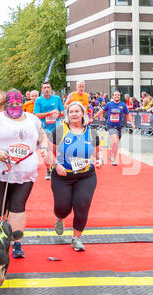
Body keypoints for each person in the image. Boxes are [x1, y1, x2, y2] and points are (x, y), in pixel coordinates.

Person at [0, 90, 49, 259]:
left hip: (25, 171)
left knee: (18, 207)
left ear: (22, 103)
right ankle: (0, 226)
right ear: (6, 104)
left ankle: (17, 242)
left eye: (18, 104)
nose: (15, 107)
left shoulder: (32, 119)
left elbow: (42, 137)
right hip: (0, 170)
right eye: (11, 104)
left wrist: (45, 147)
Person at [48, 101, 104, 251]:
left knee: (82, 205)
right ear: (67, 115)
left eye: (76, 111)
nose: (74, 114)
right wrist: (56, 165)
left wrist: (99, 161)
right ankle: (59, 217)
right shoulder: (60, 130)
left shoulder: (91, 132)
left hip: (86, 176)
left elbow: (98, 154)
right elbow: (48, 151)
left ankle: (76, 238)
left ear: (83, 114)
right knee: (63, 207)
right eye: (71, 112)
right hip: (62, 175)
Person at [93, 90, 136, 166]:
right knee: (115, 141)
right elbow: (101, 111)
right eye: (115, 95)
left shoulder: (123, 105)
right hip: (110, 125)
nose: (117, 96)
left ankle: (112, 155)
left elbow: (128, 115)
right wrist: (94, 117)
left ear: (120, 96)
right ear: (113, 96)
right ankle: (113, 159)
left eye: (118, 95)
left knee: (115, 143)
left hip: (119, 126)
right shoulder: (109, 104)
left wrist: (132, 123)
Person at [34, 81, 65, 180]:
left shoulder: (57, 99)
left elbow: (62, 112)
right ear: (42, 90)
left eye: (48, 87)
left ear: (51, 89)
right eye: (44, 88)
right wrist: (50, 113)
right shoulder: (39, 100)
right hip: (44, 129)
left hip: (56, 128)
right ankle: (48, 169)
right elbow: (37, 115)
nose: (46, 89)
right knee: (46, 150)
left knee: (54, 150)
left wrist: (58, 114)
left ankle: (54, 167)